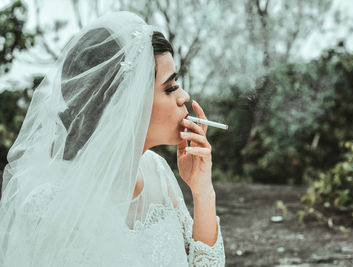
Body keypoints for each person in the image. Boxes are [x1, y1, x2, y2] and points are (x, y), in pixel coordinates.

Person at [0, 11, 225, 266]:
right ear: (126, 103)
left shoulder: (157, 171)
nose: (184, 97)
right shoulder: (51, 203)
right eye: (170, 87)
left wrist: (202, 191)